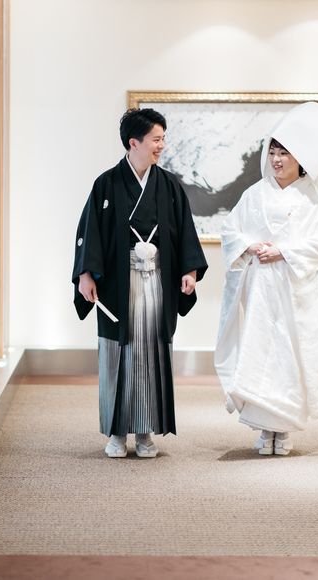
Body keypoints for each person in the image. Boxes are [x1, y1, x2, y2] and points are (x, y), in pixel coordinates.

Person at [72, 108, 208, 459]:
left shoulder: (169, 186)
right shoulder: (106, 184)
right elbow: (89, 232)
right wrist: (85, 274)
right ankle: (117, 433)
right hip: (117, 286)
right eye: (156, 139)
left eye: (163, 139)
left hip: (156, 283)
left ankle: (146, 431)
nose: (161, 145)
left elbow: (185, 233)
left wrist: (190, 271)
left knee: (152, 353)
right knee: (118, 354)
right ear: (134, 143)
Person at [215, 101, 318, 456]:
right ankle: (263, 428)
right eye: (272, 152)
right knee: (260, 354)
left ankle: (282, 430)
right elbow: (231, 230)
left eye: (284, 153)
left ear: (299, 158)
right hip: (261, 291)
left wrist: (283, 251)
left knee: (289, 356)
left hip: (294, 293)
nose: (277, 160)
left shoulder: (312, 200)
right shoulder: (254, 194)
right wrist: (251, 246)